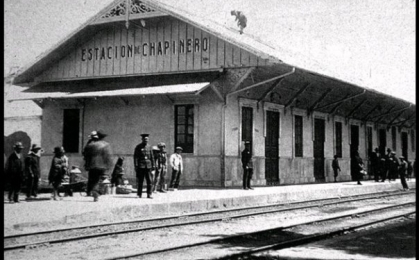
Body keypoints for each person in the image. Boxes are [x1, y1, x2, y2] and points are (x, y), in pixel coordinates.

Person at [83, 130, 113, 202]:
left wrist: (87, 164)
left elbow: (85, 154)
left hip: (92, 165)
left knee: (93, 179)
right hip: (102, 166)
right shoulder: (106, 145)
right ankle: (96, 193)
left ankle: (93, 192)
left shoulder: (90, 145)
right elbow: (108, 156)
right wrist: (109, 165)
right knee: (100, 180)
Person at [134, 134, 155, 198]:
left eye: (147, 139)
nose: (146, 141)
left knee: (149, 181)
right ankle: (139, 194)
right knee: (140, 181)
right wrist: (136, 166)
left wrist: (153, 165)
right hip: (141, 166)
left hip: (148, 166)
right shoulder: (138, 147)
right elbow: (135, 157)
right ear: (142, 139)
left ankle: (149, 194)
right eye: (145, 139)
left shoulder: (150, 147)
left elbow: (152, 157)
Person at [84, 131, 99, 196]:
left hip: (93, 163)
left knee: (92, 178)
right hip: (93, 163)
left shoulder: (90, 143)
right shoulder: (91, 144)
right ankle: (91, 192)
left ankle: (90, 191)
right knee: (94, 178)